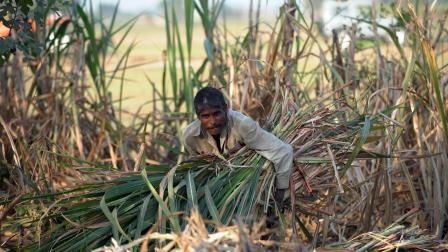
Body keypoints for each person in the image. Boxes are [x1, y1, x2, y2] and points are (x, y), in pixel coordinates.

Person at [181, 86, 293, 224]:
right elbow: (197, 168)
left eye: (217, 113)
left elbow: (283, 152)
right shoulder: (190, 137)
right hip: (219, 188)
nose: (213, 121)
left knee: (264, 225)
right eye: (205, 116)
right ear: (198, 117)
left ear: (226, 108)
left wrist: (280, 195)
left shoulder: (243, 125)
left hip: (250, 183)